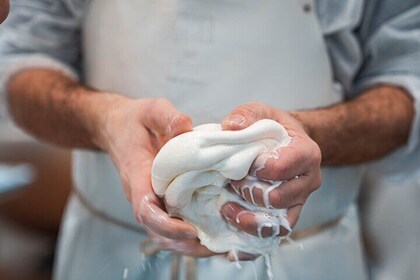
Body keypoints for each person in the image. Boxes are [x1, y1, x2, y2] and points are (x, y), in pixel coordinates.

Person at [0, 1, 419, 279]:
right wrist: (102, 119)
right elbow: (21, 62)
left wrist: (312, 134)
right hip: (107, 256)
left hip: (306, 261)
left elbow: (408, 82)